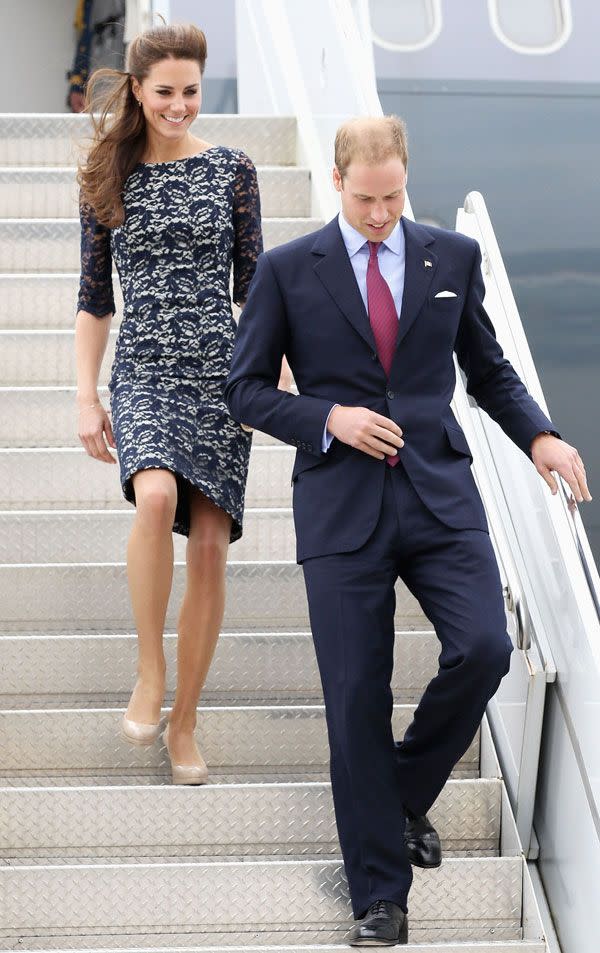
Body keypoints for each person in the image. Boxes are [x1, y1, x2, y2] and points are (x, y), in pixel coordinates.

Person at [225, 116, 591, 943]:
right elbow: (244, 391)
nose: (381, 213)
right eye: (365, 199)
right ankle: (379, 897)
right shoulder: (287, 272)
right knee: (355, 698)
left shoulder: (450, 259)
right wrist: (330, 418)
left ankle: (396, 793)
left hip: (438, 495)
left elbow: (488, 367)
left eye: (392, 197)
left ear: (404, 178)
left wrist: (540, 435)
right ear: (336, 179)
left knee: (486, 648)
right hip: (340, 503)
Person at [75, 22, 262, 784]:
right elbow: (93, 299)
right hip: (146, 366)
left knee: (211, 546)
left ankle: (184, 721)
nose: (179, 105)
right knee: (153, 499)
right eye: (164, 93)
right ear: (138, 89)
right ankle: (151, 669)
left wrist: (271, 371)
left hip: (221, 372)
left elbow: (255, 287)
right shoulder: (105, 174)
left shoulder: (232, 170)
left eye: (190, 91)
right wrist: (85, 395)